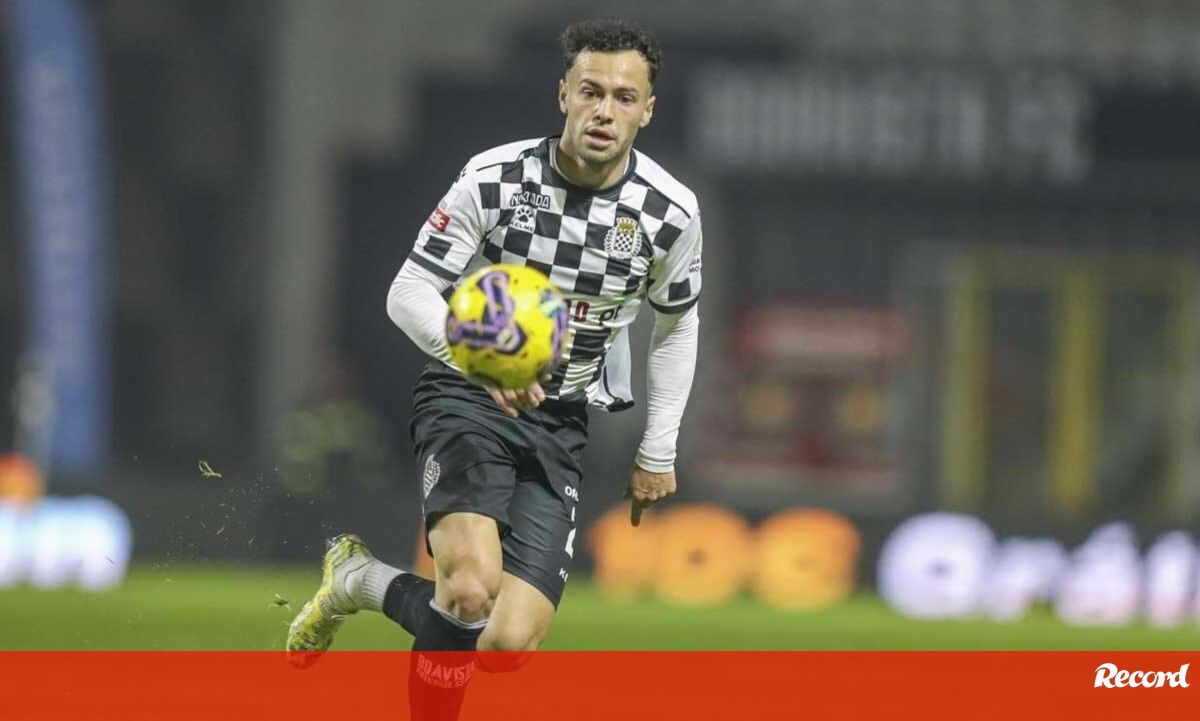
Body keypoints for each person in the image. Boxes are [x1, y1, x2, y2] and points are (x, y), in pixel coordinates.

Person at [287, 17, 702, 718]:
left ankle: (360, 579)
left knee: (505, 644)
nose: (605, 111)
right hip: (466, 395)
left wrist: (658, 447)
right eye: (591, 91)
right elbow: (408, 290)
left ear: (648, 110)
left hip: (561, 419)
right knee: (469, 590)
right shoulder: (496, 178)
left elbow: (677, 322)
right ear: (563, 94)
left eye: (624, 97)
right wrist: (477, 363)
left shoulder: (670, 213)